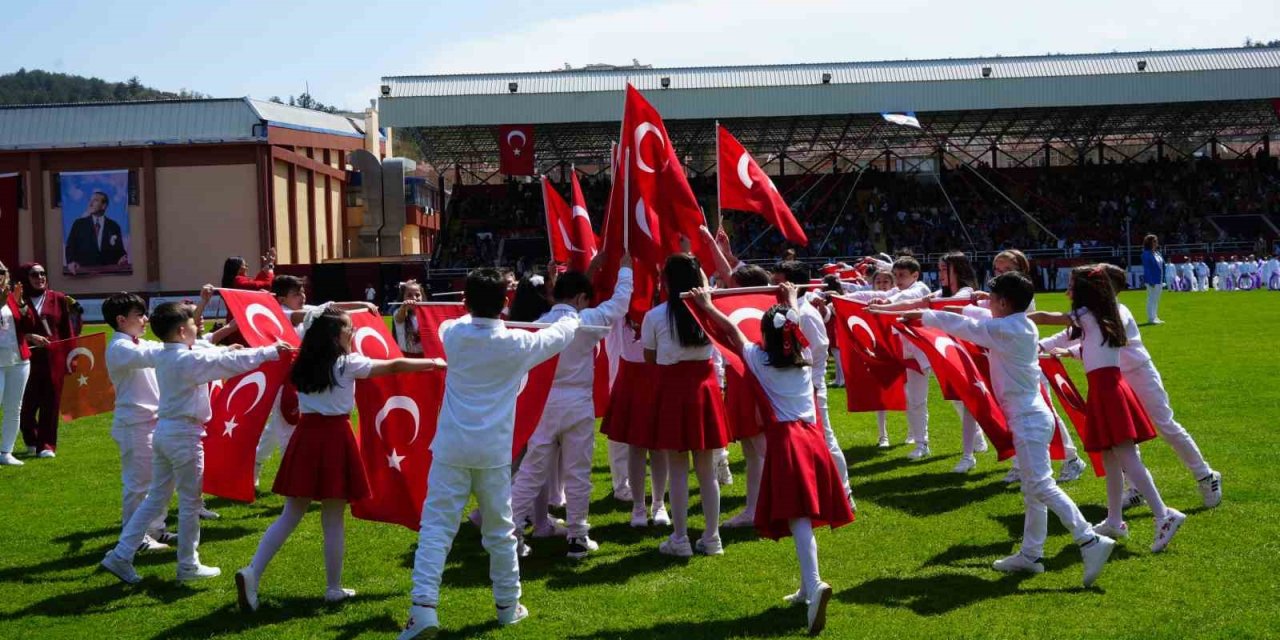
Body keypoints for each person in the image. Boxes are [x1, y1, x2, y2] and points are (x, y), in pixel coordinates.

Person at [877, 272, 1115, 587]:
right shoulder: (1019, 323)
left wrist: (926, 315)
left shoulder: (1006, 329)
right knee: (1033, 491)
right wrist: (933, 308)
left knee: (1041, 487)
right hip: (1030, 416)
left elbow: (969, 327)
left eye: (991, 299)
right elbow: (971, 316)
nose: (987, 303)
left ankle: (1088, 540)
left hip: (1028, 418)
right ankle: (1031, 555)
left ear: (1002, 303)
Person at [399, 268, 580, 639]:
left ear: (465, 302)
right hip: (493, 451)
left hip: (452, 446)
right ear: (506, 303)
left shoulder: (453, 334)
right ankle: (507, 606)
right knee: (500, 532)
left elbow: (460, 319)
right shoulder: (517, 344)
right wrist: (570, 310)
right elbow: (560, 335)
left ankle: (423, 610)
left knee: (437, 530)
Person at [236, 308, 445, 612]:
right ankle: (332, 588)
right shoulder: (347, 364)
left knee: (290, 514)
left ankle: (253, 571)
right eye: (350, 330)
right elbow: (395, 364)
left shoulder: (303, 362)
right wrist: (432, 362)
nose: (354, 333)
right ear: (336, 337)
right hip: (334, 437)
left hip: (306, 438)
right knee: (332, 517)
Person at [689, 282, 854, 634]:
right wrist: (789, 297)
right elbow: (788, 324)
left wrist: (705, 305)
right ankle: (806, 587)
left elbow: (732, 332)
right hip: (813, 440)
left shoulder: (759, 360)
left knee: (799, 519)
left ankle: (814, 586)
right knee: (804, 517)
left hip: (787, 442)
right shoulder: (805, 359)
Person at [101, 302, 290, 584]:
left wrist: (226, 349)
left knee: (155, 498)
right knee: (190, 503)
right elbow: (224, 364)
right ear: (181, 330)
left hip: (166, 432)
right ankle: (188, 564)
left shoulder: (166, 354)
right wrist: (270, 352)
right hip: (183, 435)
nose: (196, 327)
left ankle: (121, 554)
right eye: (192, 324)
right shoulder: (183, 360)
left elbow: (209, 355)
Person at [1032, 266, 1186, 553]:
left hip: (1107, 391)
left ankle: (1164, 514)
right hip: (1108, 388)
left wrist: (1014, 317)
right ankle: (1115, 520)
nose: (1069, 291)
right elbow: (1097, 348)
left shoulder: (1087, 315)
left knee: (1126, 456)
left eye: (1073, 286)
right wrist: (1069, 352)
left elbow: (1046, 318)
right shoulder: (1104, 314)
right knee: (1111, 456)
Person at [510, 256, 633, 559]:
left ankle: (508, 533)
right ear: (580, 299)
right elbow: (620, 304)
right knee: (578, 472)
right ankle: (577, 536)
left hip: (546, 404)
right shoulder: (586, 319)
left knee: (531, 470)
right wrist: (626, 269)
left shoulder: (538, 324)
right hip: (577, 403)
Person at [1090, 265, 1222, 508]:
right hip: (1117, 378)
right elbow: (1072, 335)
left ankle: (1206, 475)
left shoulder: (1119, 311)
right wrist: (1043, 346)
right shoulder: (1094, 312)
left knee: (1166, 425)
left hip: (1139, 373)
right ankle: (1136, 488)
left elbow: (1102, 345)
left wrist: (1068, 351)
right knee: (1124, 436)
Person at [640, 254, 731, 558]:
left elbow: (650, 360)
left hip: (673, 391)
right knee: (706, 470)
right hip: (703, 390)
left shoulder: (655, 316)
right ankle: (712, 536)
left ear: (666, 281)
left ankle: (680, 538)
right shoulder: (708, 312)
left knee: (678, 470)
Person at [978, 250, 1086, 485]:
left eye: (1006, 270)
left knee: (1047, 413)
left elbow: (1002, 319)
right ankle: (1020, 463)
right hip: (1007, 363)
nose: (1001, 274)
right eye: (998, 270)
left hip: (1024, 365)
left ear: (1019, 270)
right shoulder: (1001, 292)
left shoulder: (1021, 294)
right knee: (1012, 414)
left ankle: (1071, 458)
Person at [771, 261, 852, 501]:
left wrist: (812, 383)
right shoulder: (784, 311)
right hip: (795, 387)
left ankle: (845, 492)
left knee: (825, 437)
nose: (773, 287)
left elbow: (819, 350)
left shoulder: (805, 314)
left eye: (778, 283)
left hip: (810, 387)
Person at [102, 291, 175, 552]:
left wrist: (211, 344)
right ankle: (135, 536)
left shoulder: (137, 343)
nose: (145, 319)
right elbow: (162, 353)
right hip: (134, 425)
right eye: (139, 315)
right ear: (121, 320)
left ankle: (155, 529)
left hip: (152, 421)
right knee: (138, 484)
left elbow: (162, 349)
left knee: (162, 480)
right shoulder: (120, 348)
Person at [602, 315, 671, 529]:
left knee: (659, 446)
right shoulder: (622, 312)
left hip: (658, 374)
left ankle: (659, 504)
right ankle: (638, 506)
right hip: (631, 375)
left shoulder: (662, 310)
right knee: (635, 445)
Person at [15, 263, 77, 458]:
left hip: (54, 359)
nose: (40, 277)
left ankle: (46, 446)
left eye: (43, 273)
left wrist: (72, 356)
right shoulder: (17, 300)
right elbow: (10, 330)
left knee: (51, 404)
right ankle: (31, 439)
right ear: (26, 277)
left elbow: (68, 330)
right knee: (26, 405)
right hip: (26, 359)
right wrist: (29, 337)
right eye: (34, 274)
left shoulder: (58, 298)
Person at [0, 261, 36, 466]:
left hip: (18, 360)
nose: (0, 275)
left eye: (2, 272)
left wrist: (21, 304)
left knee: (14, 407)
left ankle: (6, 451)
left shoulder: (13, 295)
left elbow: (29, 324)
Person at [64, 190, 129, 273]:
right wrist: (71, 262)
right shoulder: (79, 224)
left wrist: (122, 258)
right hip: (84, 273)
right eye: (90, 200)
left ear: (104, 206)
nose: (90, 203)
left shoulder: (114, 226)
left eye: (95, 200)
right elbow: (70, 247)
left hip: (108, 273)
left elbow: (119, 251)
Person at [392, 280, 426, 356]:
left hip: (425, 355)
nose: (414, 298)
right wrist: (404, 307)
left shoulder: (427, 313)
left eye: (417, 295)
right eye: (409, 295)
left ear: (422, 296)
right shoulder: (398, 311)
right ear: (403, 297)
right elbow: (399, 318)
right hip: (406, 356)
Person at [1140, 235, 1165, 324]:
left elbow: (1161, 266)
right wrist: (1150, 280)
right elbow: (1147, 269)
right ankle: (1151, 318)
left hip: (1159, 279)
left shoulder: (1157, 253)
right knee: (1151, 298)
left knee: (1156, 299)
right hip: (1152, 280)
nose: (1156, 243)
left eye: (1156, 241)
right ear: (1149, 243)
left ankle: (1155, 316)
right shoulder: (1146, 254)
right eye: (1154, 241)